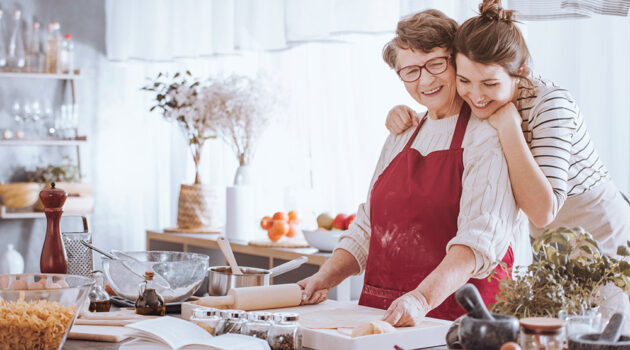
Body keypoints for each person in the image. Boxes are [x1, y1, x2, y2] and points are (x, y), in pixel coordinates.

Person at [385, 0, 630, 324]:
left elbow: (543, 210)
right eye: (465, 81)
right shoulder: (480, 99)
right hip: (547, 242)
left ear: (521, 72)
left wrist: (510, 127)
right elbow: (443, 111)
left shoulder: (551, 104)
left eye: (489, 83)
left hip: (601, 233)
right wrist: (402, 115)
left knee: (607, 334)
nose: (476, 95)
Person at [298, 9, 528, 326]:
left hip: (458, 321)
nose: (425, 80)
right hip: (384, 316)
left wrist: (421, 299)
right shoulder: (402, 132)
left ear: (457, 61)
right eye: (410, 71)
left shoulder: (487, 134)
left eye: (436, 64)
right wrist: (323, 279)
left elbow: (478, 242)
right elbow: (368, 226)